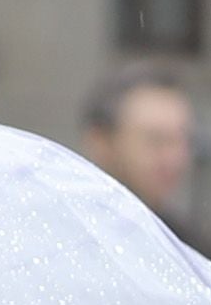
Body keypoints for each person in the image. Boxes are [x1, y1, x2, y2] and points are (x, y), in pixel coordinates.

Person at [79, 60, 198, 222]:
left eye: (182, 140)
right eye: (155, 140)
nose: (173, 158)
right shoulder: (65, 231)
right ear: (101, 141)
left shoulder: (182, 243)